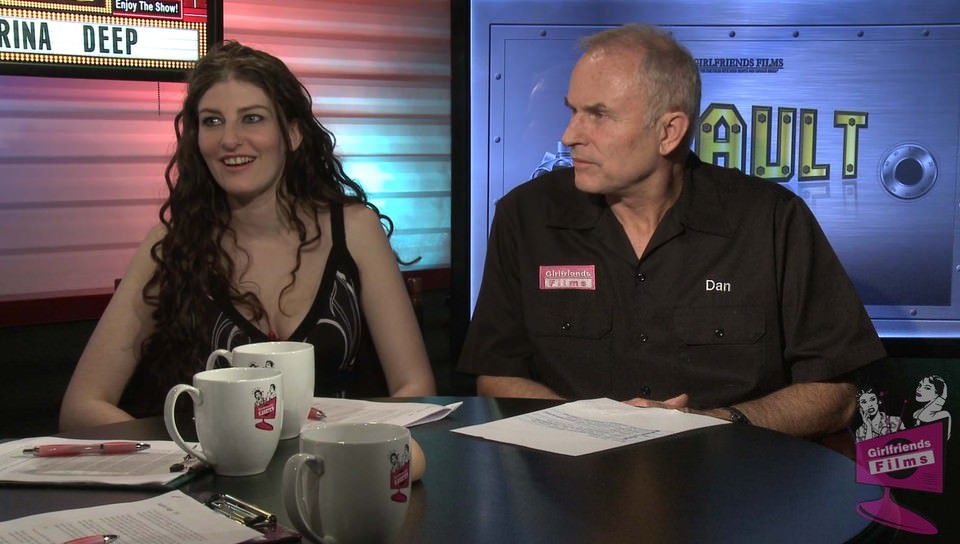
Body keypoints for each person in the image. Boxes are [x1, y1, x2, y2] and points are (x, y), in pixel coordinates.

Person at [457, 24, 886, 438]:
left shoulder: (772, 220)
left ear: (669, 132)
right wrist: (596, 426)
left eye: (599, 115)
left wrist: (713, 424)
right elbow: (496, 376)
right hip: (567, 476)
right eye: (573, 111)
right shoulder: (525, 217)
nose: (570, 135)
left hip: (731, 474)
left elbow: (835, 395)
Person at [60, 41, 435, 431]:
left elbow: (416, 386)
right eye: (212, 121)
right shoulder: (171, 245)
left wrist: (365, 449)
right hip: (210, 467)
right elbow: (82, 405)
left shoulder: (355, 230)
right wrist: (182, 454)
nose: (229, 139)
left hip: (339, 461)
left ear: (292, 133)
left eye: (252, 118)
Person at [912, 375, 951, 439]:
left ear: (937, 394)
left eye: (927, 388)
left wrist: (942, 398)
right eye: (920, 385)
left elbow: (942, 440)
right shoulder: (916, 413)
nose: (919, 389)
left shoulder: (944, 415)